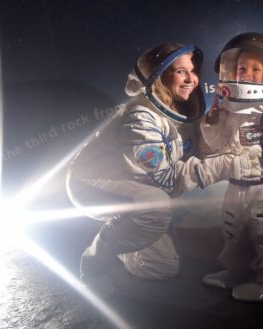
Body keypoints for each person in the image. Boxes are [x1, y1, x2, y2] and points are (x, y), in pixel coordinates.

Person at [65, 43, 241, 295]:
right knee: (156, 203)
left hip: (135, 184)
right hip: (92, 184)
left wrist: (221, 133)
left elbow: (195, 153)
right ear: (159, 76)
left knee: (159, 268)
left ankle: (125, 230)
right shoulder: (139, 118)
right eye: (180, 71)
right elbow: (166, 180)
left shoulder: (177, 110)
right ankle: (93, 264)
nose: (191, 78)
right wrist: (227, 165)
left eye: (193, 71)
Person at [200, 32, 263, 302]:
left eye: (255, 69)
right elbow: (217, 143)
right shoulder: (229, 109)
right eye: (241, 67)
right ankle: (234, 273)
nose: (246, 73)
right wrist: (212, 119)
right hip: (236, 185)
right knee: (233, 232)